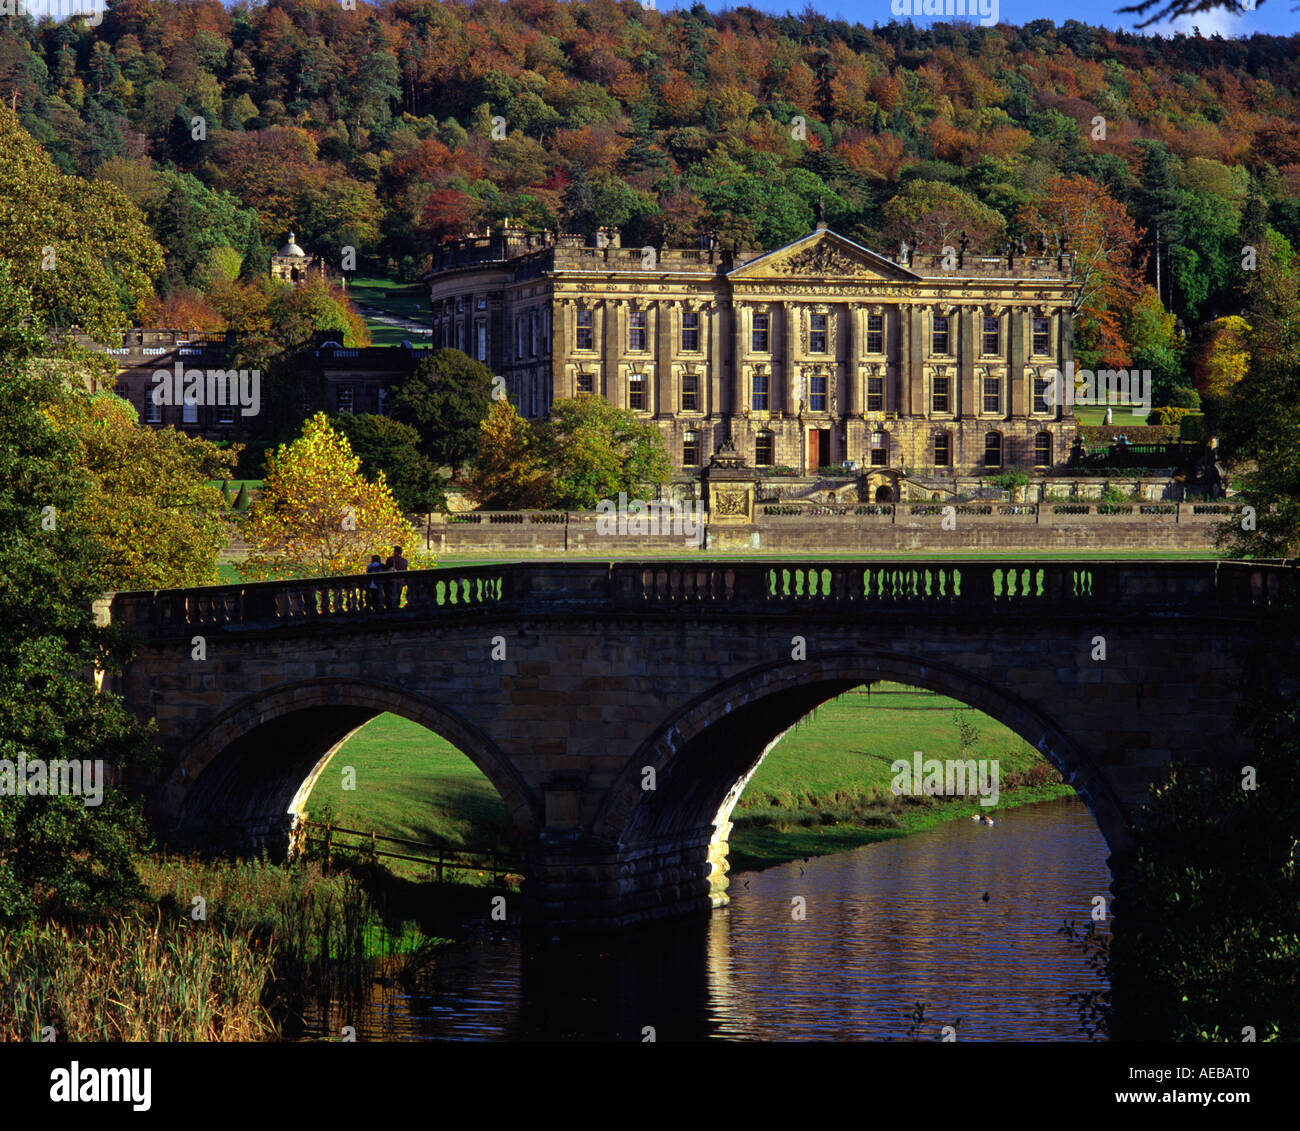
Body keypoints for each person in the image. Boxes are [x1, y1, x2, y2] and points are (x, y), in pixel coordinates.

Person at [384, 544, 408, 609]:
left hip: (391, 581)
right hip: (400, 581)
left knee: (390, 597)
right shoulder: (405, 561)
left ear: (395, 552)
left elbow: (386, 569)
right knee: (397, 597)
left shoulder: (390, 559)